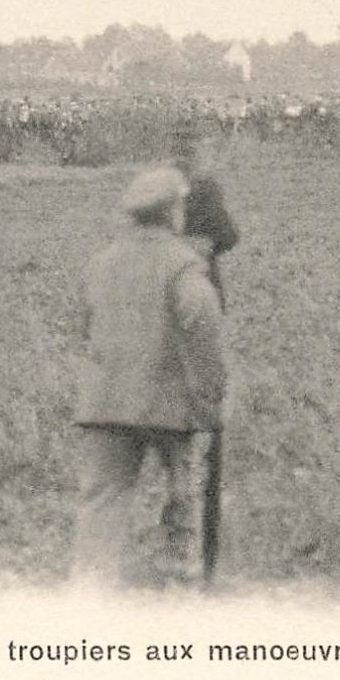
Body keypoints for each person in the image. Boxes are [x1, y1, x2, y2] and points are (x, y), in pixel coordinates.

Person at [71, 167, 226, 587]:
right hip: (170, 408)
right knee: (183, 503)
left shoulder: (99, 262)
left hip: (104, 405)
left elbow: (84, 328)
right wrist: (209, 403)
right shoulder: (183, 267)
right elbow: (204, 338)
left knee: (100, 506)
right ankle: (178, 595)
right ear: (173, 211)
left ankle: (87, 600)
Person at [170, 126, 240, 310]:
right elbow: (228, 237)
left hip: (162, 278)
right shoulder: (205, 187)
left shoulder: (154, 187)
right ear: (196, 152)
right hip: (200, 275)